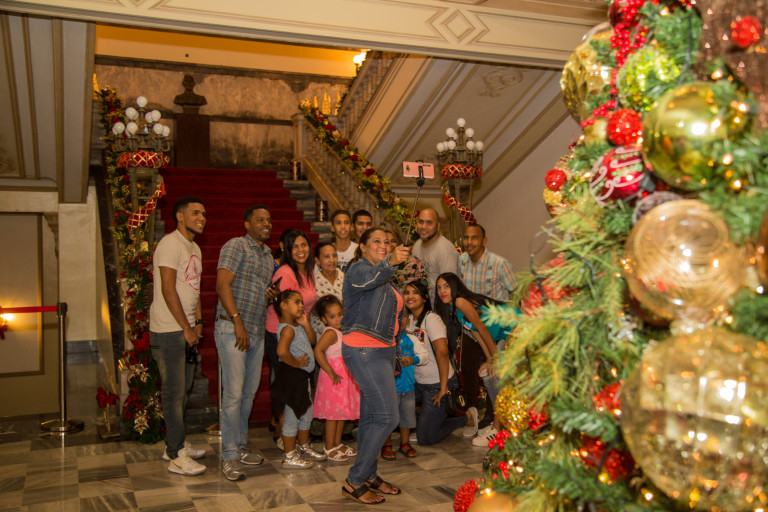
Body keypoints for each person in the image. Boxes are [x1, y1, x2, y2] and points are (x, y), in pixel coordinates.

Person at [340, 227, 410, 504]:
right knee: (388, 418)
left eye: (388, 242)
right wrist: (391, 261)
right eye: (377, 241)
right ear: (363, 246)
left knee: (371, 417)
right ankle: (355, 480)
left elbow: (394, 322)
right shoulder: (358, 269)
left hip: (383, 351)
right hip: (364, 350)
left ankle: (369, 474)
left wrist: (395, 355)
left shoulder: (387, 277)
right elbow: (370, 278)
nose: (384, 245)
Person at [213, 205, 273, 481]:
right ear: (247, 224)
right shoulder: (236, 245)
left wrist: (269, 294)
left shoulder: (267, 254)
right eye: (259, 220)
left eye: (268, 220)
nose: (266, 223)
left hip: (256, 331)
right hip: (232, 327)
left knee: (248, 394)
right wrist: (238, 322)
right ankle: (228, 456)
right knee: (234, 394)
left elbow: (253, 287)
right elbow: (222, 285)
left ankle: (239, 445)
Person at [149, 196, 208, 476]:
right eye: (195, 213)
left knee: (183, 390)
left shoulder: (194, 247)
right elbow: (168, 288)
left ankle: (176, 444)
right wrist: (185, 326)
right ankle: (175, 455)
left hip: (185, 328)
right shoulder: (170, 244)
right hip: (169, 330)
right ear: (179, 216)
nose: (201, 218)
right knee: (173, 393)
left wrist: (198, 322)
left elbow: (194, 288)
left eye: (203, 214)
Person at [434, 273, 514, 447]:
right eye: (439, 288)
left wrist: (496, 358)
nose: (442, 291)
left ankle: (498, 428)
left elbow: (482, 327)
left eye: (446, 286)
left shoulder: (460, 302)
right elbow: (476, 334)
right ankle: (498, 424)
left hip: (514, 328)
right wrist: (489, 359)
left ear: (455, 287)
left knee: (497, 378)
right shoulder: (455, 310)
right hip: (504, 335)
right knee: (488, 376)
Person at [458, 223, 516, 438]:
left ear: (484, 240)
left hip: (497, 328)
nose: (469, 242)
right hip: (472, 327)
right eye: (466, 237)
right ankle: (472, 414)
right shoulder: (461, 261)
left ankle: (494, 418)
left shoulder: (499, 263)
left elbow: (515, 293)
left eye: (474, 238)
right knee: (469, 370)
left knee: (494, 373)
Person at [266, 230, 318, 447]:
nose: (300, 250)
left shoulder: (308, 270)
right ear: (287, 250)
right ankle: (283, 436)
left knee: (299, 388)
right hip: (283, 333)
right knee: (287, 387)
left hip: (300, 331)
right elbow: (283, 307)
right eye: (295, 246)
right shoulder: (286, 272)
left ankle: (297, 438)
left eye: (303, 245)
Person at [404, 280, 470, 445]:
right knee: (397, 410)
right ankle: (430, 420)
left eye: (415, 292)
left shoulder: (431, 319)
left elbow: (442, 353)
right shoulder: (407, 320)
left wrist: (443, 388)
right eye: (407, 292)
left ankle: (466, 418)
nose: (410, 296)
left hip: (437, 384)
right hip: (416, 383)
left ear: (425, 297)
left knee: (426, 439)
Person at [271, 290, 327, 468]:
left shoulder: (297, 326)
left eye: (302, 302)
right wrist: (296, 363)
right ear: (283, 305)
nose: (301, 305)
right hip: (293, 377)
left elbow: (312, 340)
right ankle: (289, 455)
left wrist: (306, 324)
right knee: (292, 415)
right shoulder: (287, 329)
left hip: (303, 377)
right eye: (296, 302)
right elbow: (281, 352)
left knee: (306, 412)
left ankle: (303, 446)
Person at [312, 295, 359, 462]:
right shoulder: (331, 333)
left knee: (341, 413)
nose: (338, 319)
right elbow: (318, 350)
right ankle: (329, 446)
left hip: (343, 378)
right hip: (334, 378)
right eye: (332, 316)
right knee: (333, 415)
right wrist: (330, 372)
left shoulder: (341, 331)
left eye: (340, 314)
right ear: (324, 320)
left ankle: (338, 443)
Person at [380, 322, 428, 460]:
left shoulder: (412, 338)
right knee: (389, 417)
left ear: (407, 320)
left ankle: (405, 443)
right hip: (390, 388)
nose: (400, 320)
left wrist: (413, 359)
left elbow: (424, 356)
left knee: (407, 417)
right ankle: (386, 444)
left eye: (404, 316)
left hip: (408, 387)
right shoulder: (385, 339)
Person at [411, 208, 458, 302]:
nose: (424, 226)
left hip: (442, 305)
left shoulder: (445, 250)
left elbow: (450, 288)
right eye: (421, 222)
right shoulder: (417, 245)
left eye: (429, 223)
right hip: (424, 305)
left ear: (438, 226)